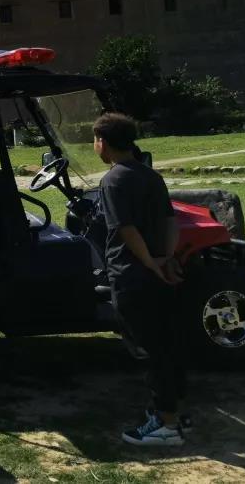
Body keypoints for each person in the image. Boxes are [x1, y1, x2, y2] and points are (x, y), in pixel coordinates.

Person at [94, 113, 188, 447]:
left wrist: (149, 262)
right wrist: (166, 258)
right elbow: (169, 220)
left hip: (132, 275)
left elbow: (125, 229)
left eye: (96, 140)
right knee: (167, 343)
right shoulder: (151, 176)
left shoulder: (113, 181)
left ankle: (167, 425)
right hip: (158, 272)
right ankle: (174, 411)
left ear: (102, 142)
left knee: (148, 349)